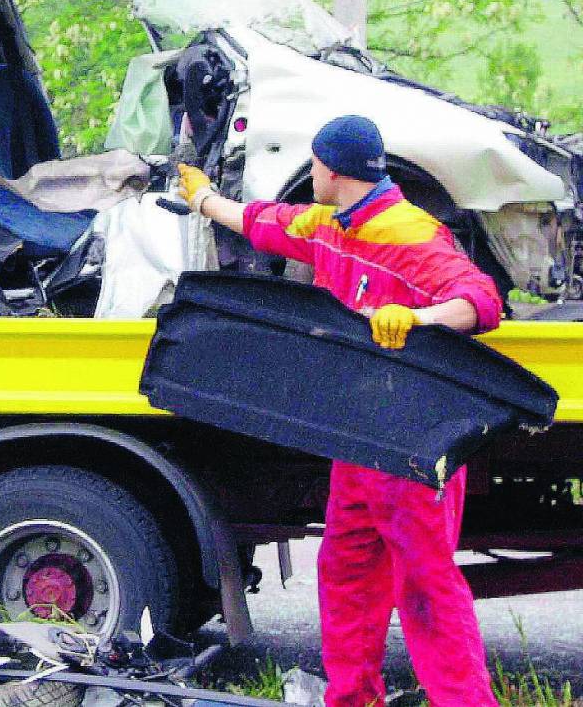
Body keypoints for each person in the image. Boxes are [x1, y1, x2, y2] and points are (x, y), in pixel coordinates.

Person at [178, 114, 503, 706]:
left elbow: (481, 303)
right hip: (359, 442)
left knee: (426, 587)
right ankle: (353, 698)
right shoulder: (330, 225)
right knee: (346, 573)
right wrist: (203, 200)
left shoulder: (410, 234)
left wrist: (420, 318)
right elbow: (262, 223)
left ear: (330, 169)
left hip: (413, 444)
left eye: (316, 166)